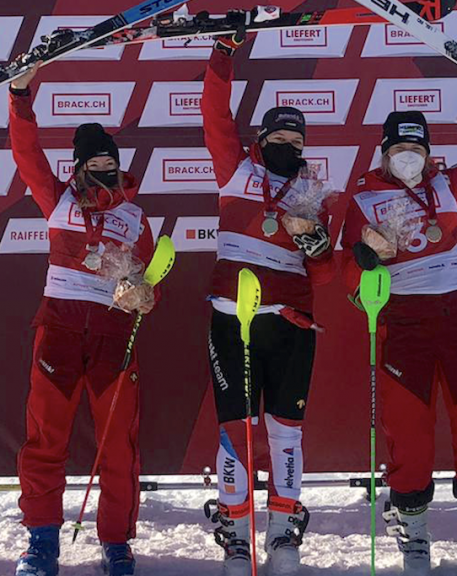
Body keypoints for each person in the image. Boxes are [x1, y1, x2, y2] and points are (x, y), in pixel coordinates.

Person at [340, 68, 457, 575]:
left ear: (428, 151)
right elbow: (345, 273)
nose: (409, 157)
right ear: (384, 151)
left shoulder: (447, 185)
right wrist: (364, 254)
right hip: (404, 323)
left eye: (418, 148)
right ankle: (413, 530)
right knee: (410, 433)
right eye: (400, 148)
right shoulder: (360, 199)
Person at [9, 63, 158, 576]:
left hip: (114, 330)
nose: (103, 172)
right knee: (46, 435)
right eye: (93, 164)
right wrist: (19, 97)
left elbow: (148, 278)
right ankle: (42, 540)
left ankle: (116, 540)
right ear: (76, 168)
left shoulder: (136, 217)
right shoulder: (58, 199)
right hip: (60, 325)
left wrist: (143, 292)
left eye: (109, 164)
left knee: (118, 441)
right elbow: (26, 153)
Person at [200, 30, 336, 576]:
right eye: (281, 137)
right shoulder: (237, 169)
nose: (290, 147)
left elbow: (324, 276)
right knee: (236, 428)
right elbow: (213, 111)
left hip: (292, 323)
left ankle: (282, 534)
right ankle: (237, 532)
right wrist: (224, 51)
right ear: (262, 139)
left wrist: (319, 247)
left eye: (298, 142)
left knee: (285, 431)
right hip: (233, 319)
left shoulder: (316, 193)